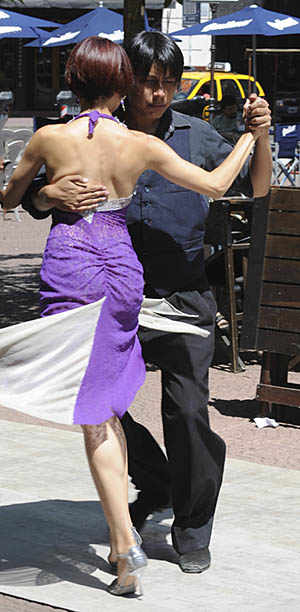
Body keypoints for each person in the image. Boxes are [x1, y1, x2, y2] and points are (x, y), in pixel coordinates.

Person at [20, 31, 272, 576]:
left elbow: (254, 188)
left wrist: (260, 136)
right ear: (123, 82)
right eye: (147, 82)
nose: (158, 93)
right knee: (97, 406)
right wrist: (46, 195)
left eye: (168, 84)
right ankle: (154, 481)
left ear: (179, 85)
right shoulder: (83, 135)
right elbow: (36, 197)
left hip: (181, 297)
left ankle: (191, 526)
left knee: (186, 412)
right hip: (114, 295)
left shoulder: (198, 135)